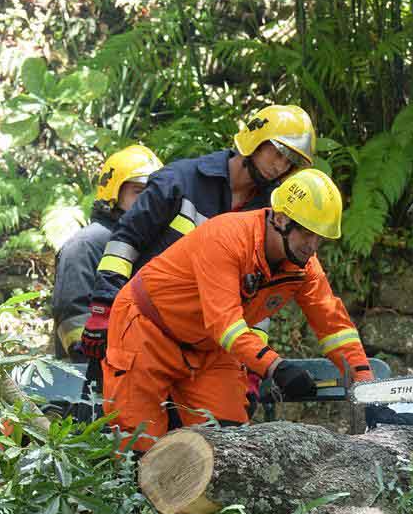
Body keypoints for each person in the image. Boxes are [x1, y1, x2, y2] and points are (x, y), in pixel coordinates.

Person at [101, 168, 377, 452]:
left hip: (209, 347)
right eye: (307, 234)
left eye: (320, 238)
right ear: (281, 219)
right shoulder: (226, 238)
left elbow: (335, 327)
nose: (313, 246)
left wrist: (366, 386)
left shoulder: (304, 266)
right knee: (138, 448)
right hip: (146, 330)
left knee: (229, 447)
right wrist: (276, 367)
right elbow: (226, 324)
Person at [81, 104, 317, 361]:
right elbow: (124, 243)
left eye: (290, 162)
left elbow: (259, 296)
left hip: (209, 348)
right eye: (278, 152)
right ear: (255, 141)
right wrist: (103, 309)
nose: (280, 166)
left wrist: (250, 364)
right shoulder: (180, 181)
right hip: (145, 327)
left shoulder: (271, 216)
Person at [52, 144, 163, 360]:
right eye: (139, 192)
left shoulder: (151, 243)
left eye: (153, 193)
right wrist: (96, 364)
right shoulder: (85, 245)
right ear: (113, 192)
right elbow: (73, 321)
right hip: (89, 381)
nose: (147, 201)